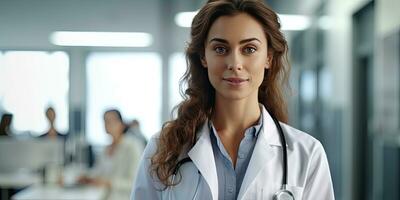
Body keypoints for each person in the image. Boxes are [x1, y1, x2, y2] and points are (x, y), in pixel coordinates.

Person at [131, 0, 335, 199]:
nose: (235, 63)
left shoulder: (306, 154)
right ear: (203, 57)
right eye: (220, 49)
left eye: (249, 49)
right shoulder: (163, 149)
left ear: (269, 58)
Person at [78, 109, 143, 200]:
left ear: (121, 124)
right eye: (105, 121)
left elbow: (134, 182)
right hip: (102, 195)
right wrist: (86, 177)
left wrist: (108, 183)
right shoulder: (106, 149)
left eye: (111, 121)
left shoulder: (132, 147)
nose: (107, 124)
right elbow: (97, 172)